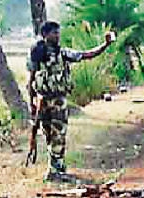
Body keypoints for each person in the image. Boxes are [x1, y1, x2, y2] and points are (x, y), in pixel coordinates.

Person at [27, 21, 114, 181]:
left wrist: (105, 45)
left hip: (55, 100)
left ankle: (56, 168)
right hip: (45, 101)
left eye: (58, 32)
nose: (58, 36)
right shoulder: (37, 54)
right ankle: (55, 170)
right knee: (51, 135)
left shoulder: (62, 53)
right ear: (45, 35)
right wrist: (32, 102)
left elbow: (87, 55)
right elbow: (31, 79)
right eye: (54, 33)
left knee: (57, 135)